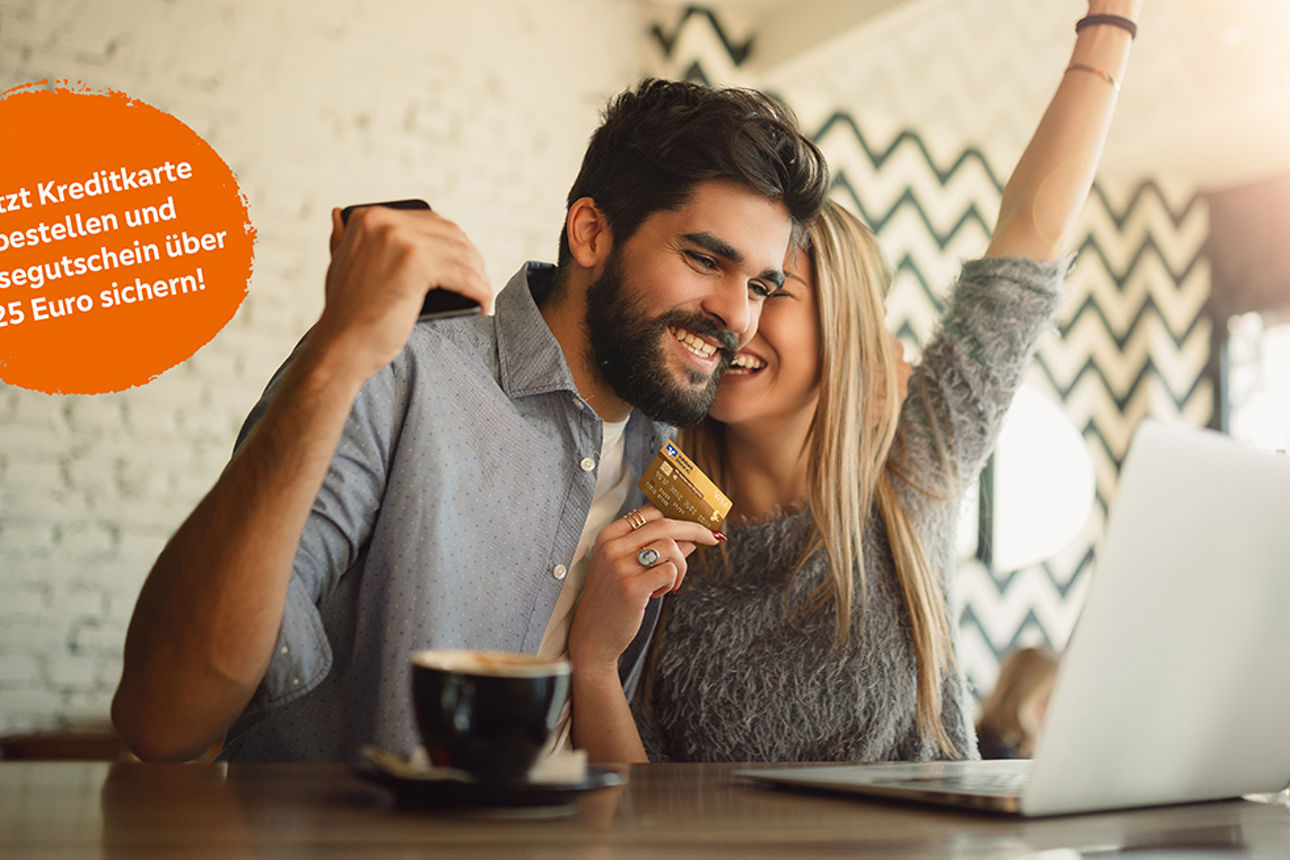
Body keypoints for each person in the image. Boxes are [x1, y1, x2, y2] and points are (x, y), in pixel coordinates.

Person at [111, 78, 829, 762]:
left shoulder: (667, 459)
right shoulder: (395, 373)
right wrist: (336, 351)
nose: (738, 316)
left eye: (761, 287)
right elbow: (164, 718)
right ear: (590, 234)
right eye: (705, 258)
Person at [569, 0, 1141, 763]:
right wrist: (594, 660)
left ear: (842, 329)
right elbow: (636, 811)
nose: (735, 318)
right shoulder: (655, 508)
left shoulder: (912, 467)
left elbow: (1028, 241)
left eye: (773, 292)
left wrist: (1111, 23)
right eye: (720, 272)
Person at [976, 646, 1061, 759]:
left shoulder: (1025, 747)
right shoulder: (987, 753)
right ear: (1018, 695)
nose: (1053, 709)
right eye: (1046, 699)